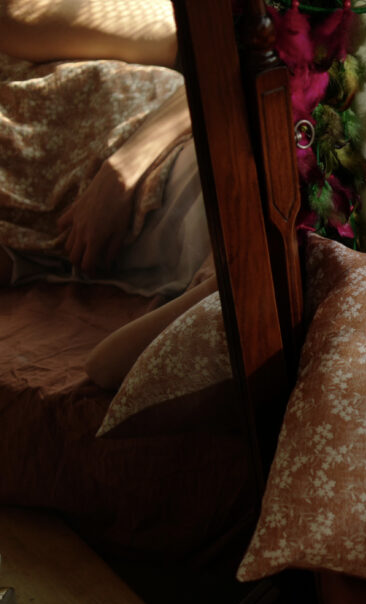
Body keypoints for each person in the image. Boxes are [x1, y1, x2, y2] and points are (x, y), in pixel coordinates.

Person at [0, 0, 216, 388]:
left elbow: (220, 52)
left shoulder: (20, 20)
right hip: (163, 211)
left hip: (187, 146)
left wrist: (126, 166)